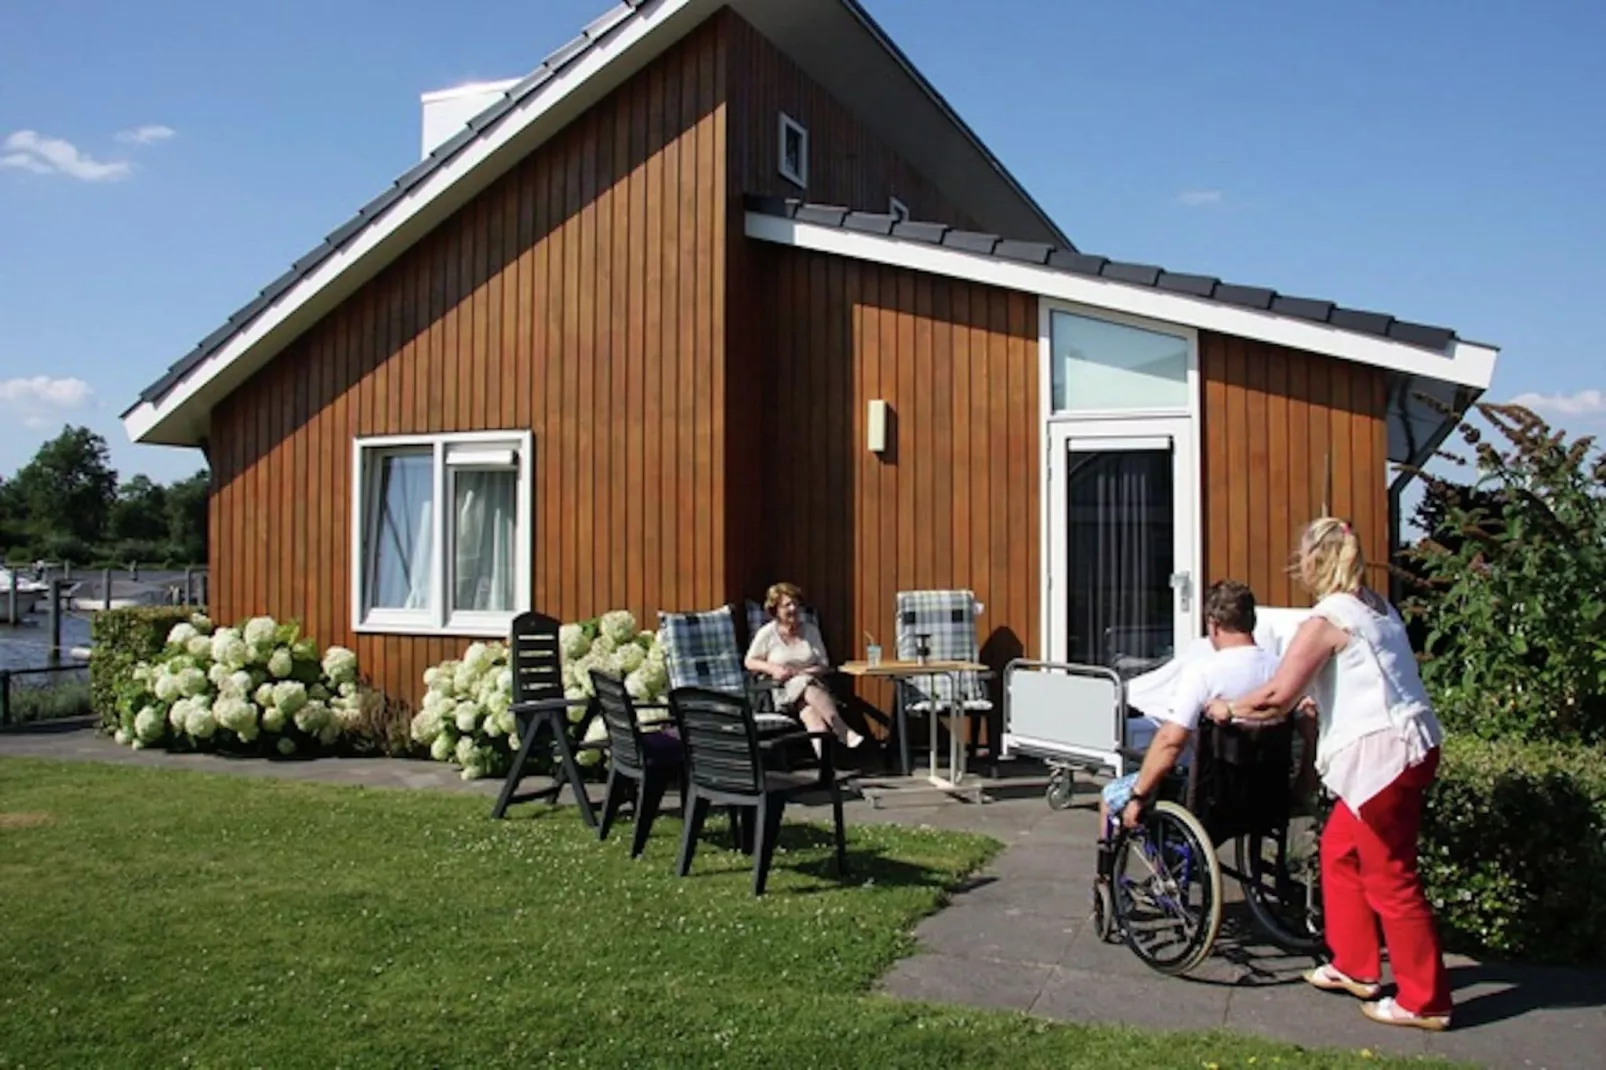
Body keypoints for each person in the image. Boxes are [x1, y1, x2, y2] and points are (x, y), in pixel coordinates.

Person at [1204, 517, 1451, 1032]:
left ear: (1313, 562)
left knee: (1392, 878)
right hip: (1413, 743)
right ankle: (1355, 965)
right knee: (1340, 849)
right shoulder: (1378, 608)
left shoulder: (1327, 619)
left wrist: (1227, 708)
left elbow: (1276, 698)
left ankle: (1424, 1001)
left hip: (1382, 757)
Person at [1098, 580, 1312, 840]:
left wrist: (1139, 794)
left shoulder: (1203, 673)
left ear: (1213, 624)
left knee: (1111, 797)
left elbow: (1171, 742)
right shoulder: (1281, 671)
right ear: (1251, 621)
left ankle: (1115, 876)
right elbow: (1309, 727)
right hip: (1266, 793)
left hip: (1211, 796)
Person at [744, 582, 865, 756]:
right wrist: (772, 668)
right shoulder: (767, 633)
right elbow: (749, 661)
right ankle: (841, 728)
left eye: (796, 604)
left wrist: (802, 673)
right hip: (778, 691)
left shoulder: (810, 631)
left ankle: (826, 769)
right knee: (805, 685)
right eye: (787, 605)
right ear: (775, 610)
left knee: (810, 713)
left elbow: (823, 665)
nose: (793, 609)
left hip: (811, 688)